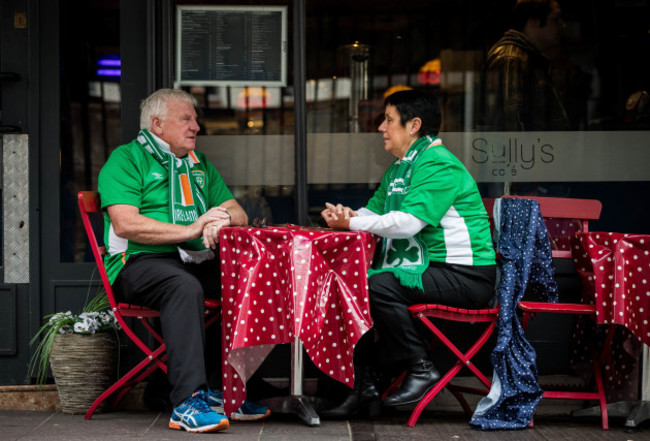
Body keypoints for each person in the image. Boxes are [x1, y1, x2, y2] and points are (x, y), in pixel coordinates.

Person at [98, 88, 270, 433]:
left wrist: (220, 218)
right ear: (157, 124)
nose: (197, 126)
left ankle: (226, 390)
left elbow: (236, 209)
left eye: (195, 118)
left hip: (192, 257)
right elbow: (126, 223)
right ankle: (187, 400)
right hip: (139, 262)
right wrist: (192, 227)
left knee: (252, 278)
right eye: (186, 119)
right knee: (183, 286)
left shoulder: (198, 164)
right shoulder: (127, 159)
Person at [320, 90, 497, 418]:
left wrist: (354, 222)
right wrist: (346, 218)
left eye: (388, 120)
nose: (380, 128)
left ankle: (420, 368)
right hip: (428, 271)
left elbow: (407, 224)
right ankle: (363, 386)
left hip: (465, 275)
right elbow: (372, 214)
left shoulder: (438, 163)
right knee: (352, 284)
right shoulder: (399, 169)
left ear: (414, 125)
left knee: (378, 285)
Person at [478, 0, 570, 131]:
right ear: (533, 20)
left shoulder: (526, 58)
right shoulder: (512, 59)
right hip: (529, 149)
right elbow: (509, 126)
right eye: (555, 19)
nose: (563, 25)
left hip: (537, 149)